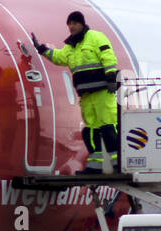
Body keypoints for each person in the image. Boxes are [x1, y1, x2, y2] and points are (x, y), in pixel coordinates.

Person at [33, 11, 121, 174]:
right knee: (90, 130)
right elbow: (59, 57)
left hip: (102, 90)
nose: (71, 27)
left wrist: (110, 76)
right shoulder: (71, 46)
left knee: (109, 126)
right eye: (69, 24)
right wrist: (42, 49)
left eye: (74, 23)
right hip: (86, 94)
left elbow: (108, 55)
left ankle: (119, 163)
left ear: (81, 23)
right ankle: (95, 165)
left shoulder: (95, 37)